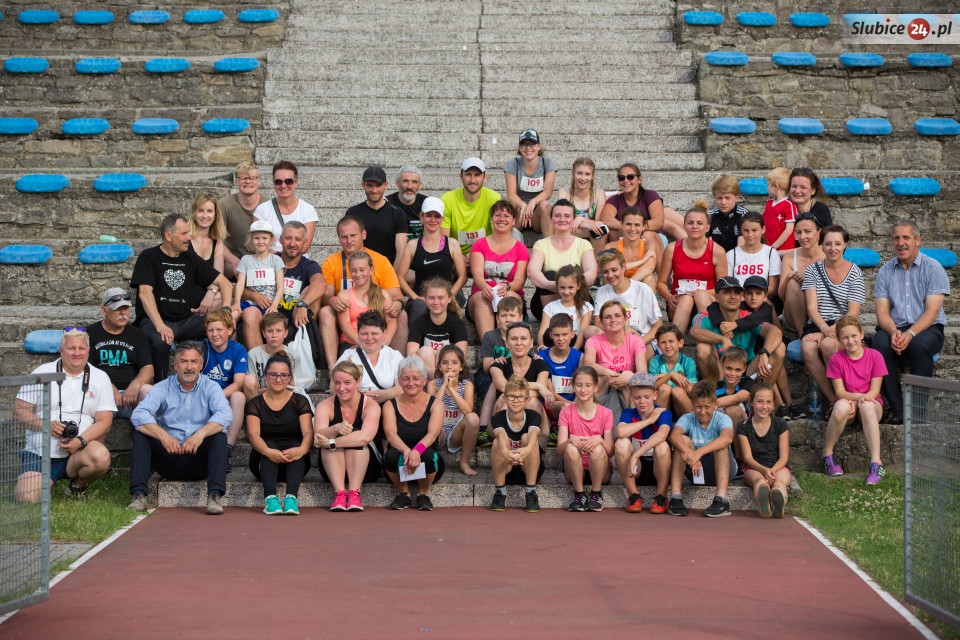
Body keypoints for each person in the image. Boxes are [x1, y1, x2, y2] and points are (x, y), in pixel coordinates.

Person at [128, 341, 232, 515]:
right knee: (141, 434)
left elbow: (225, 414)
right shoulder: (162, 387)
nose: (189, 367)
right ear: (175, 365)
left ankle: (214, 496)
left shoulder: (211, 386)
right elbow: (138, 415)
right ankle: (138, 495)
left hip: (199, 460)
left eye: (194, 361)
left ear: (201, 365)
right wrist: (164, 436)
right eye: (184, 361)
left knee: (219, 435)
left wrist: (200, 434)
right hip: (168, 457)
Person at [15, 328, 116, 503]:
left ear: (88, 351)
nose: (77, 353)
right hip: (40, 453)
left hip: (78, 452)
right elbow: (19, 411)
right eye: (71, 348)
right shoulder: (42, 372)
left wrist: (80, 441)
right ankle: (43, 481)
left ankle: (76, 487)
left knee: (101, 456)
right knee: (26, 498)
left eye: (81, 348)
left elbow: (105, 422)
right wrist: (46, 425)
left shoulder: (100, 377)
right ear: (61, 351)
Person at [130, 213, 236, 380]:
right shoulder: (149, 257)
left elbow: (225, 283)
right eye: (184, 233)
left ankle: (213, 380)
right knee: (161, 341)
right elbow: (144, 293)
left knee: (218, 328)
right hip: (154, 320)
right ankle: (161, 385)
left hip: (185, 321)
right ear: (168, 236)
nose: (189, 238)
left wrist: (226, 311)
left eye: (189, 233)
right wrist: (160, 325)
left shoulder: (189, 257)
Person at [872, 220, 950, 425]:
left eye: (906, 237)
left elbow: (932, 311)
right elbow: (882, 311)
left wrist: (910, 334)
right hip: (895, 326)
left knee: (918, 345)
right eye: (896, 238)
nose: (901, 243)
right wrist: (893, 331)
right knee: (879, 344)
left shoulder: (933, 268)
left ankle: (917, 413)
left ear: (918, 240)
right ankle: (898, 409)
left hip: (927, 328)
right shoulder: (885, 271)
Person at [319, 216, 406, 369]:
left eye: (353, 235)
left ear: (363, 234)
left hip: (376, 328)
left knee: (401, 314)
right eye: (344, 237)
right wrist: (333, 300)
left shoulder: (380, 261)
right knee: (325, 311)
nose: (349, 241)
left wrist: (398, 304)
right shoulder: (331, 262)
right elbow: (325, 295)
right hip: (347, 322)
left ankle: (400, 367)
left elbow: (397, 295)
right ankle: (332, 368)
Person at [801, 225, 865, 414]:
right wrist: (823, 329)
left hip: (844, 323)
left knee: (828, 345)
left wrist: (830, 332)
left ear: (845, 245)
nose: (832, 248)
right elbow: (811, 307)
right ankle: (834, 399)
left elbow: (853, 312)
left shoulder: (854, 272)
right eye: (828, 244)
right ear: (821, 245)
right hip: (818, 322)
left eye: (838, 243)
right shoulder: (813, 270)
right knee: (807, 347)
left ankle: (845, 393)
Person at [823, 316, 889, 485]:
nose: (850, 341)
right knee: (841, 407)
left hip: (871, 404)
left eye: (853, 335)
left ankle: (876, 463)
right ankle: (827, 455)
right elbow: (840, 391)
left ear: (861, 334)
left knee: (867, 406)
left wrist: (860, 399)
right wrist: (855, 398)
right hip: (849, 404)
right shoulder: (836, 359)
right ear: (839, 340)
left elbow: (874, 390)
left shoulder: (875, 356)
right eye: (845, 337)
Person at [245, 353, 313, 515]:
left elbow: (308, 432)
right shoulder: (255, 403)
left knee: (296, 444)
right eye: (273, 374)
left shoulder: (300, 401)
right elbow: (253, 435)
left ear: (290, 378)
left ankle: (291, 498)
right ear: (265, 377)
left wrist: (302, 449)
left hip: (295, 461)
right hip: (263, 462)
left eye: (283, 375)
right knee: (268, 443)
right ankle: (270, 499)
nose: (278, 379)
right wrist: (269, 452)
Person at [314, 360, 383, 512]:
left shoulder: (371, 405)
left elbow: (365, 437)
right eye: (337, 383)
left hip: (367, 468)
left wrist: (332, 442)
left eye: (347, 383)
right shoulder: (325, 405)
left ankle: (354, 493)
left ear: (358, 382)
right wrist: (335, 428)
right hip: (332, 469)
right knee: (332, 440)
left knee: (355, 435)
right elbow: (318, 436)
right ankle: (339, 494)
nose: (341, 388)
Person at [691, 277, 785, 387]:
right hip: (719, 372)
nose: (733, 296)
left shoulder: (750, 318)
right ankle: (716, 393)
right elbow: (694, 332)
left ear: (741, 296)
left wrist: (764, 353)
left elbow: (775, 332)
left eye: (736, 292)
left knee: (779, 347)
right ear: (717, 297)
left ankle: (761, 393)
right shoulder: (704, 317)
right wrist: (723, 339)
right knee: (702, 348)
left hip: (748, 371)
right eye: (727, 292)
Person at [383, 356, 445, 511]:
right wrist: (406, 451)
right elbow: (391, 435)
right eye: (405, 379)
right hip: (399, 463)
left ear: (424, 380)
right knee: (390, 456)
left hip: (428, 462)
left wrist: (417, 451)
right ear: (399, 380)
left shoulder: (436, 404)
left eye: (416, 378)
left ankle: (423, 494)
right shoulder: (390, 405)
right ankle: (403, 493)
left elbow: (433, 434)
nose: (411, 383)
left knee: (429, 456)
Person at [657, 200, 727, 336]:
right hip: (679, 302)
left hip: (706, 300)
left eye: (699, 223)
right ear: (684, 226)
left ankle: (710, 339)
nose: (695, 226)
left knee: (700, 295)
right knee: (686, 299)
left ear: (707, 227)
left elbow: (723, 288)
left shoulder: (717, 251)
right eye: (690, 223)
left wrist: (700, 292)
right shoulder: (672, 249)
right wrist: (669, 296)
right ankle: (675, 341)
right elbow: (661, 283)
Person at [667, 380, 737, 518]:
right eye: (698, 407)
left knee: (721, 444)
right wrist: (690, 453)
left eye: (707, 407)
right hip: (696, 470)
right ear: (692, 404)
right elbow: (673, 435)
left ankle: (722, 500)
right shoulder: (687, 418)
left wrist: (698, 453)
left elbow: (728, 438)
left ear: (716, 404)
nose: (703, 411)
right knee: (682, 440)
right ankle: (675, 498)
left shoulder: (723, 418)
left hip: (722, 469)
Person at [395, 196, 467, 326]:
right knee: (419, 308)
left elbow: (463, 276)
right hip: (421, 299)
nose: (433, 220)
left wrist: (449, 295)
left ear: (442, 218)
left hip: (444, 297)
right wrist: (415, 297)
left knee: (451, 307)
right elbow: (399, 277)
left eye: (437, 216)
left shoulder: (452, 244)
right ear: (421, 217)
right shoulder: (412, 245)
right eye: (428, 215)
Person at [86, 287, 154, 418]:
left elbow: (148, 368)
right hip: (101, 393)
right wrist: (109, 389)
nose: (123, 313)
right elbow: (86, 368)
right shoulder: (89, 334)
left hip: (131, 394)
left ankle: (144, 430)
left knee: (148, 391)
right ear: (104, 310)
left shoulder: (137, 334)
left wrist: (135, 385)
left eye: (126, 308)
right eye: (117, 308)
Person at [467, 199, 529, 339]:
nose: (502, 219)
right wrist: (485, 287)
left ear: (514, 221)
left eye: (506, 216)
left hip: (509, 293)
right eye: (497, 215)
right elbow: (477, 273)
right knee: (483, 298)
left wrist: (507, 286)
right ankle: (489, 348)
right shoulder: (479, 244)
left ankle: (510, 344)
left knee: (510, 297)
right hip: (482, 295)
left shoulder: (521, 248)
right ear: (491, 219)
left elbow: (519, 280)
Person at [614, 373, 673, 514]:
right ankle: (634, 495)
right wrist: (649, 420)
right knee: (621, 443)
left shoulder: (663, 412)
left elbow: (662, 434)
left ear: (655, 395)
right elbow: (621, 432)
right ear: (631, 397)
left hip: (658, 468)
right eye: (637, 398)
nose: (642, 402)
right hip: (636, 470)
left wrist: (635, 455)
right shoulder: (629, 413)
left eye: (647, 397)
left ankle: (661, 496)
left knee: (662, 445)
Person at [557, 367, 615, 512]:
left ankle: (596, 493)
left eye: (588, 385)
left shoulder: (606, 413)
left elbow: (610, 451)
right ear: (573, 386)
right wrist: (571, 440)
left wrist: (599, 440)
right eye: (579, 385)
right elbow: (559, 450)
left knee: (598, 448)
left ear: (595, 387)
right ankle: (579, 494)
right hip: (575, 471)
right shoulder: (566, 412)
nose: (583, 390)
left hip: (601, 471)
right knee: (570, 447)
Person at [527, 199, 598, 317]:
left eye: (567, 216)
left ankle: (572, 316)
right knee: (550, 274)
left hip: (576, 297)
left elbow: (591, 272)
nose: (562, 219)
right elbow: (532, 271)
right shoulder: (541, 244)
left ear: (573, 219)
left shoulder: (583, 244)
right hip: (545, 302)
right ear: (551, 218)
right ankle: (553, 317)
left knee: (572, 275)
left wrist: (570, 285)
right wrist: (554, 285)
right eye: (557, 215)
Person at [482, 321, 553, 433]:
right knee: (504, 400)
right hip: (502, 417)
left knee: (532, 401)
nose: (519, 343)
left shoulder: (541, 364)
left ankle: (538, 438)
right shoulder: (498, 365)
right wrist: (538, 386)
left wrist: (537, 389)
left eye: (523, 338)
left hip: (532, 417)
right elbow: (503, 387)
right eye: (514, 339)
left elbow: (539, 393)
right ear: (507, 343)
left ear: (531, 343)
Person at [474, 296, 525, 447]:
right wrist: (496, 362)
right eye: (503, 315)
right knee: (492, 386)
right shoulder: (490, 336)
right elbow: (486, 365)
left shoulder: (523, 335)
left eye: (512, 315)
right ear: (497, 318)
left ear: (520, 318)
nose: (508, 319)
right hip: (489, 375)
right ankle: (483, 428)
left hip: (513, 376)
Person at [489, 375, 544, 512]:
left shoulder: (534, 416)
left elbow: (533, 436)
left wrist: (525, 451)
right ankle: (500, 492)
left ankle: (531, 492)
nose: (516, 400)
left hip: (528, 469)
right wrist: (507, 453)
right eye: (512, 396)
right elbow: (501, 436)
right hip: (506, 469)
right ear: (504, 398)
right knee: (497, 442)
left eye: (520, 397)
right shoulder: (498, 417)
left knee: (527, 438)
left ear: (527, 400)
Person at [591, 249, 661, 351]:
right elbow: (598, 323)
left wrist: (639, 342)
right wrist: (623, 330)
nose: (610, 275)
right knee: (590, 331)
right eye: (605, 272)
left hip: (641, 339)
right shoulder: (602, 291)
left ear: (624, 267)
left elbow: (658, 325)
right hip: (615, 338)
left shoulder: (643, 289)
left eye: (614, 270)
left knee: (641, 351)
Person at [738, 382, 790, 518]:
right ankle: (764, 505)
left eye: (768, 402)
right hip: (754, 468)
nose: (764, 406)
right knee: (759, 482)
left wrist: (771, 471)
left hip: (779, 467)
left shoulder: (780, 424)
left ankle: (780, 501)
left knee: (780, 483)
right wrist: (764, 470)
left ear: (773, 404)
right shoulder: (743, 427)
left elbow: (784, 457)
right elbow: (748, 458)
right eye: (760, 402)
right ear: (751, 402)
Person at [427, 345, 480, 476]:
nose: (449, 366)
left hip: (456, 433)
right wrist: (444, 385)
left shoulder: (467, 385)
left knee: (473, 418)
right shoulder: (433, 384)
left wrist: (451, 388)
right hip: (438, 431)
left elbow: (467, 410)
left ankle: (464, 462)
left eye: (454, 362)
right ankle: (432, 461)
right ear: (440, 366)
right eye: (445, 362)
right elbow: (431, 409)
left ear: (461, 367)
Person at [599, 162, 685, 243]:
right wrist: (627, 228)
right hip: (628, 240)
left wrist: (633, 228)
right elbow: (605, 219)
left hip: (653, 238)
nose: (625, 180)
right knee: (612, 232)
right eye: (621, 178)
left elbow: (658, 222)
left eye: (630, 177)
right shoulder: (614, 199)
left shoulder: (650, 195)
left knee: (646, 235)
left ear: (639, 179)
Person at [583, 301, 648, 407]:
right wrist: (607, 373)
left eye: (617, 316)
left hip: (628, 390)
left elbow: (642, 372)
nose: (613, 320)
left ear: (625, 319)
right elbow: (588, 363)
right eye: (608, 317)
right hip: (604, 388)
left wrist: (630, 377)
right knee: (600, 379)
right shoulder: (594, 341)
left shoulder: (636, 341)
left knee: (633, 380)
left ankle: (630, 415)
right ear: (602, 321)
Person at [200, 309, 247, 449]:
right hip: (204, 394)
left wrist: (218, 395)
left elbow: (239, 383)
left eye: (219, 330)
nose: (214, 334)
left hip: (226, 394)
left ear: (230, 330)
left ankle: (228, 446)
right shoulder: (201, 347)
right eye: (210, 330)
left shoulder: (238, 350)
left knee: (239, 396)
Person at [234, 219, 285, 348]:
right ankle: (232, 350)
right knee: (230, 317)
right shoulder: (246, 260)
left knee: (273, 324)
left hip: (269, 305)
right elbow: (240, 284)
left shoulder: (276, 260)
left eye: (264, 238)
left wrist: (274, 305)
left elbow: (280, 287)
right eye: (257, 238)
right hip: (248, 303)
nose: (260, 241)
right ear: (251, 240)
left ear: (271, 240)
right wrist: (236, 303)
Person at [345, 166, 408, 269]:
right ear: (363, 185)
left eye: (378, 185)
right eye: (370, 185)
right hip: (360, 270)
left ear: (386, 185)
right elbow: (349, 247)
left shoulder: (397, 213)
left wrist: (391, 275)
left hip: (389, 269)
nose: (374, 190)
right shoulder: (353, 213)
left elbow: (401, 253)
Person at [335, 311, 404, 403]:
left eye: (374, 334)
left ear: (384, 333)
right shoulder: (348, 355)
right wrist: (359, 397)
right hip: (355, 405)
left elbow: (403, 387)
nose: (369, 338)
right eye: (364, 334)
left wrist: (386, 395)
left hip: (387, 405)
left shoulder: (394, 356)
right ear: (358, 334)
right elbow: (334, 386)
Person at [336, 251, 397, 352]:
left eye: (362, 270)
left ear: (371, 270)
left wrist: (385, 341)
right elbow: (344, 325)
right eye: (353, 270)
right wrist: (361, 343)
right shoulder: (344, 295)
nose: (358, 274)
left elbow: (391, 321)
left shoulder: (383, 294)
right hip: (351, 343)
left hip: (377, 343)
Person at [441, 157, 503, 255]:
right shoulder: (447, 199)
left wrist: (476, 256)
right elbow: (443, 241)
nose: (472, 180)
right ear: (461, 177)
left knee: (513, 233)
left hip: (484, 253)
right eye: (468, 174)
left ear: (485, 177)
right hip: (455, 254)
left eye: (477, 175)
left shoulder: (493, 198)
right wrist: (459, 257)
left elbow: (498, 236)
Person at [253, 160, 318, 252]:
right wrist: (278, 258)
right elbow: (259, 244)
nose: (283, 185)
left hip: (297, 259)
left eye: (288, 181)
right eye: (278, 182)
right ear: (273, 183)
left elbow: (304, 247)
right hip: (270, 259)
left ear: (296, 182)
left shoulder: (308, 210)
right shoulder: (262, 210)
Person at [407, 277, 468, 374]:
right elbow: (411, 354)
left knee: (444, 351)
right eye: (431, 298)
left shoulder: (457, 323)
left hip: (450, 373)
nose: (436, 302)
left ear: (449, 298)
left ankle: (442, 382)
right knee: (426, 351)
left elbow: (461, 355)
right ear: (425, 299)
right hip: (426, 372)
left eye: (440, 298)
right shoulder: (419, 323)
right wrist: (433, 373)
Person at [274, 221, 324, 337]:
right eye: (288, 238)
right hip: (269, 319)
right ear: (280, 239)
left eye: (298, 239)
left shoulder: (309, 265)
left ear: (305, 242)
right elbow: (243, 289)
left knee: (311, 291)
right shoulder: (269, 260)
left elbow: (320, 284)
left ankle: (306, 337)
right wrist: (254, 295)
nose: (292, 244)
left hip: (296, 318)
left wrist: (302, 304)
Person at [778, 213, 825, 335]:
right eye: (798, 232)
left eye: (807, 231)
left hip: (822, 311)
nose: (803, 236)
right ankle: (803, 335)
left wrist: (810, 277)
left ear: (819, 232)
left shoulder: (828, 254)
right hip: (794, 315)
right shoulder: (789, 257)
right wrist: (789, 277)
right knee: (793, 283)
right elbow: (782, 296)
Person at [504, 128, 556, 234]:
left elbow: (548, 192)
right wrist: (524, 205)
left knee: (545, 205)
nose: (528, 148)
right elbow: (511, 195)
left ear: (539, 146)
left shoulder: (547, 163)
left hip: (537, 214)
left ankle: (549, 243)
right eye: (524, 144)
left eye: (532, 144)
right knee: (510, 204)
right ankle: (507, 242)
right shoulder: (513, 163)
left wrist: (533, 202)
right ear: (519, 148)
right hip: (520, 212)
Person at [220, 161, 263, 278]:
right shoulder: (224, 205)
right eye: (243, 178)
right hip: (233, 260)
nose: (248, 181)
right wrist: (234, 260)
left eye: (252, 178)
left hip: (261, 259)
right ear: (236, 181)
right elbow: (217, 241)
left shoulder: (268, 204)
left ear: (259, 181)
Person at [536, 265, 593, 351]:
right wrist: (541, 347)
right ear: (557, 286)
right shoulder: (550, 307)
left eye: (571, 287)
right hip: (554, 345)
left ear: (578, 286)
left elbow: (581, 333)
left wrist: (574, 351)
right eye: (562, 287)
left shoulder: (586, 307)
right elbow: (542, 332)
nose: (566, 292)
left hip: (573, 346)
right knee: (549, 332)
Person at [537, 314, 582, 421]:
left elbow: (582, 385)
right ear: (550, 335)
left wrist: (575, 403)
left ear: (572, 334)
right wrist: (571, 405)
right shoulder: (541, 357)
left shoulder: (580, 357)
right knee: (565, 407)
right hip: (551, 404)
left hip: (576, 402)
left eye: (565, 334)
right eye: (556, 335)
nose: (561, 339)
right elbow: (549, 390)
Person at [557, 156, 609, 248]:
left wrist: (581, 219)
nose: (583, 178)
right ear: (573, 173)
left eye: (587, 174)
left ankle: (595, 258)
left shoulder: (598, 194)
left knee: (600, 229)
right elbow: (562, 220)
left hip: (593, 240)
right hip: (569, 239)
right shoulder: (564, 193)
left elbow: (599, 222)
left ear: (592, 176)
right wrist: (587, 225)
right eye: (579, 173)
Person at [727, 211, 780, 298]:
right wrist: (744, 297)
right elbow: (728, 285)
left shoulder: (771, 253)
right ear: (741, 230)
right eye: (746, 230)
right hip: (739, 300)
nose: (750, 235)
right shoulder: (731, 255)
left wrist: (754, 297)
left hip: (762, 300)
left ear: (763, 229)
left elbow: (773, 288)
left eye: (754, 230)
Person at [245, 312, 298, 398]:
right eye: (270, 331)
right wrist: (274, 389)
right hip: (260, 399)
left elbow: (295, 387)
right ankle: (255, 407)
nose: (274, 335)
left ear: (285, 333)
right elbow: (251, 388)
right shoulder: (253, 354)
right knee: (248, 379)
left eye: (278, 331)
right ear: (263, 333)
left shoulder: (293, 355)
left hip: (285, 398)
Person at [603, 206, 658, 289]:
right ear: (621, 224)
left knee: (649, 278)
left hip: (633, 287)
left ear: (643, 226)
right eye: (628, 224)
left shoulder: (649, 244)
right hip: (616, 289)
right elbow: (610, 271)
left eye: (637, 225)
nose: (632, 229)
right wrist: (641, 262)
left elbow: (649, 267)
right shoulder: (610, 247)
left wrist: (628, 286)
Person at [649, 323, 697, 417]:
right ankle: (659, 421)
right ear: (658, 346)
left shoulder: (688, 362)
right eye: (663, 342)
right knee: (664, 388)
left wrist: (666, 377)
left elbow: (692, 391)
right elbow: (650, 388)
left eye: (671, 341)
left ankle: (693, 420)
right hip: (661, 403)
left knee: (677, 391)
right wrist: (670, 375)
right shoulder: (655, 361)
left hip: (681, 405)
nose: (667, 346)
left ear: (680, 343)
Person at [188, 193, 227, 280]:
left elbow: (218, 278)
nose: (205, 216)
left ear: (215, 214)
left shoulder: (217, 242)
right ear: (194, 213)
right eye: (200, 210)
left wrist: (213, 289)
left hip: (211, 287)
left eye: (209, 211)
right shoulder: (185, 239)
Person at [709, 174, 749, 252]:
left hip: (738, 256)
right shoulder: (709, 215)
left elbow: (741, 247)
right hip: (716, 256)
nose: (723, 202)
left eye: (727, 198)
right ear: (714, 198)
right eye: (719, 198)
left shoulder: (744, 214)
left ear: (737, 198)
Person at [385, 164, 427, 238]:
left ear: (420, 185)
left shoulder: (426, 203)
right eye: (405, 181)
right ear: (397, 183)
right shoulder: (386, 203)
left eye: (414, 182)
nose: (409, 186)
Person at [762, 167, 798, 251]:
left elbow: (789, 229)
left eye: (768, 185)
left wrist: (773, 247)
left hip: (784, 250)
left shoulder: (788, 204)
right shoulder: (769, 203)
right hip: (767, 248)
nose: (767, 188)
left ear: (775, 186)